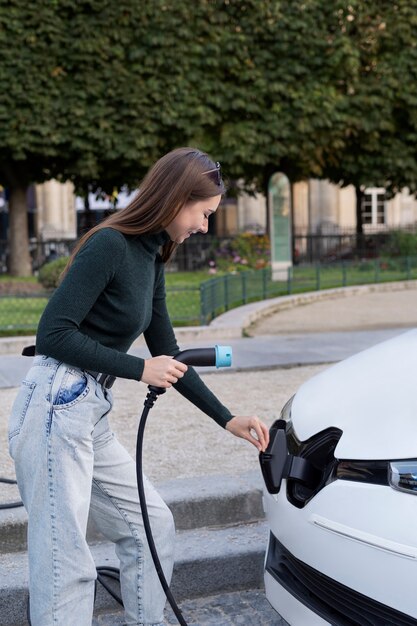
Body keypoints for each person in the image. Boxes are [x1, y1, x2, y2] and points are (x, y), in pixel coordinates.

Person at [8, 147, 270, 626]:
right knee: (65, 563)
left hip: (89, 410)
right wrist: (137, 368)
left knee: (151, 526)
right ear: (176, 198)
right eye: (204, 213)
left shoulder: (152, 256)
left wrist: (227, 418)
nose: (205, 226)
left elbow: (170, 352)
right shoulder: (109, 244)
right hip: (54, 406)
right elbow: (53, 334)